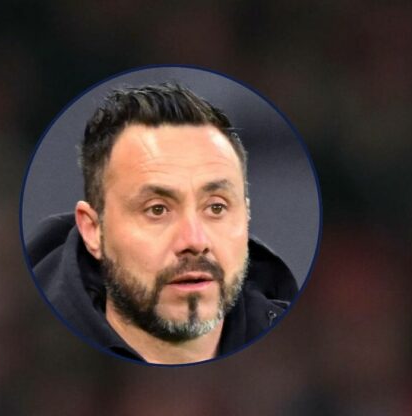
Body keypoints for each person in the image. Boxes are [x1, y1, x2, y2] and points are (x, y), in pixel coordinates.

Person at [26, 83, 297, 365]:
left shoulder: (296, 354)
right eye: (157, 210)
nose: (195, 241)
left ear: (246, 215)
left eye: (216, 207)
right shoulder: (31, 358)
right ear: (93, 231)